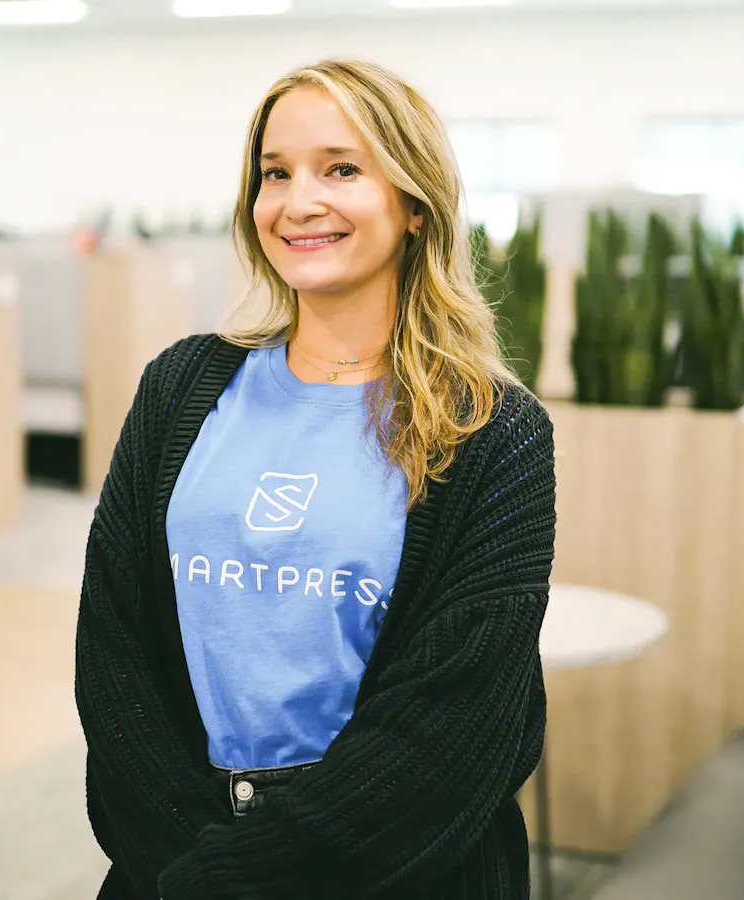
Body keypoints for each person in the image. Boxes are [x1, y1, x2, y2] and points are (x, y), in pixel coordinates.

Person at [75, 56, 556, 900]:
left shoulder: (493, 431)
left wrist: (245, 877)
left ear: (413, 203)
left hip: (396, 869)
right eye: (275, 174)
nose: (299, 202)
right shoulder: (181, 386)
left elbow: (454, 722)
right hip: (174, 860)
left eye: (341, 169)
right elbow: (113, 645)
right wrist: (184, 861)